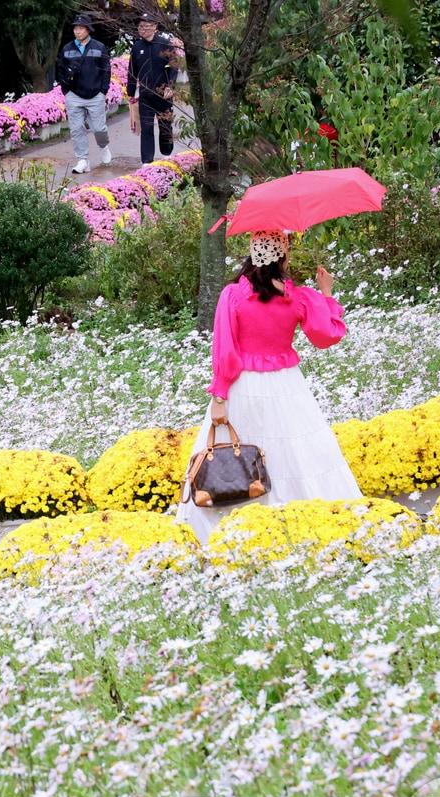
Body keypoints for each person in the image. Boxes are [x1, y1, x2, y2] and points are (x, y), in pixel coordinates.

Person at [175, 231, 362, 543]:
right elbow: (325, 336)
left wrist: (219, 394)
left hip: (242, 385)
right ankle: (308, 524)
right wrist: (327, 295)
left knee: (234, 451)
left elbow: (224, 349)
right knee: (296, 451)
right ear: (283, 254)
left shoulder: (233, 295)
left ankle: (236, 529)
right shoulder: (297, 297)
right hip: (287, 386)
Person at [58, 12, 113, 173]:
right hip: (74, 95)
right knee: (76, 129)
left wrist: (103, 91)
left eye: (81, 28)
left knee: (99, 128)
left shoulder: (99, 47)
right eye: (76, 28)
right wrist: (66, 91)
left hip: (95, 94)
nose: (78, 31)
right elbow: (60, 70)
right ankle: (83, 160)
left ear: (88, 30)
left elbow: (106, 70)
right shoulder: (67, 48)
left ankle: (103, 146)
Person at [127, 13, 181, 164]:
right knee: (146, 128)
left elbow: (174, 66)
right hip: (145, 95)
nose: (143, 29)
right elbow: (132, 72)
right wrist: (130, 93)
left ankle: (167, 156)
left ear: (155, 27)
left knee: (165, 126)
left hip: (163, 95)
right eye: (141, 26)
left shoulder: (165, 44)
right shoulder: (137, 47)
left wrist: (170, 86)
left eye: (147, 26)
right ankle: (146, 162)